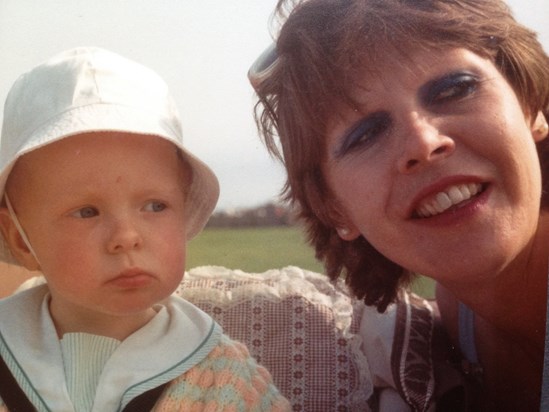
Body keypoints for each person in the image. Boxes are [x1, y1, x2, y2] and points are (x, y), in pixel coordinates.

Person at [249, 0, 549, 410]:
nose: (424, 143)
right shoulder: (456, 311)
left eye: (455, 88)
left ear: (530, 103)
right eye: (366, 134)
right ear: (334, 208)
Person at [0, 47, 290, 412]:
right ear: (19, 240)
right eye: (87, 211)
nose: (126, 237)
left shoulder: (224, 382)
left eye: (155, 206)